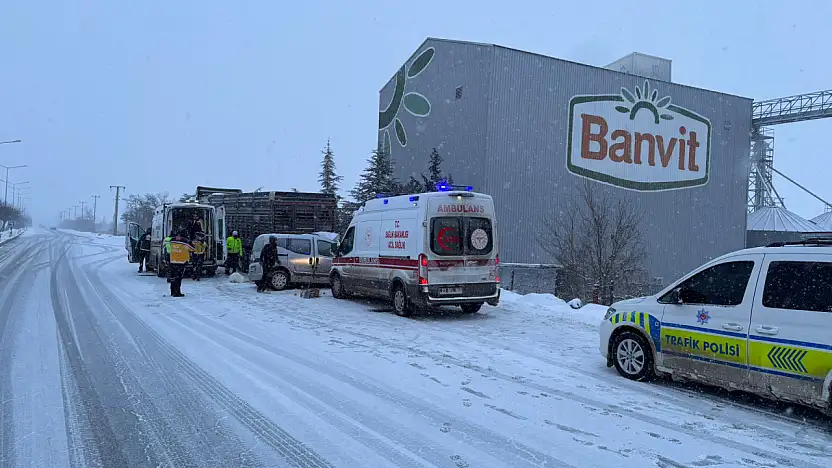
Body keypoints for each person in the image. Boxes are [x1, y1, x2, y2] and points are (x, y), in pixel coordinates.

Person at [168, 230, 194, 297]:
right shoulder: (186, 241)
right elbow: (193, 248)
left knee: (173, 277)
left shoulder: (172, 240)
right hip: (181, 261)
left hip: (173, 260)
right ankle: (177, 292)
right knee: (178, 278)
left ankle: (172, 291)